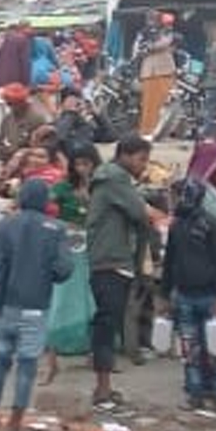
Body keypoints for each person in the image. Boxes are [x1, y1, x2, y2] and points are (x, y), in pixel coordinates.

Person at [0, 178, 73, 430]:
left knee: (0, 359)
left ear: (21, 198)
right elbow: (65, 269)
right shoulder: (56, 229)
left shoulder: (5, 226)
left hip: (6, 305)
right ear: (46, 201)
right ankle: (15, 420)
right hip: (36, 305)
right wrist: (47, 271)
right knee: (27, 364)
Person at [86, 134, 154, 409]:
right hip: (110, 261)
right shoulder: (114, 178)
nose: (143, 166)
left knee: (108, 323)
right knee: (106, 325)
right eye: (141, 159)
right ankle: (102, 389)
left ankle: (104, 386)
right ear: (125, 155)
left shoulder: (111, 178)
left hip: (111, 259)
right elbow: (139, 213)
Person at [164, 176, 216, 411]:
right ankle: (196, 394)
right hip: (185, 295)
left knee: (215, 349)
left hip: (210, 296)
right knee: (190, 349)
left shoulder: (213, 225)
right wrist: (166, 294)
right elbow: (169, 262)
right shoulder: (177, 226)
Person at [137, 11, 179, 136]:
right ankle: (147, 129)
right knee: (148, 103)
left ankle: (163, 131)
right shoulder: (143, 33)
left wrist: (148, 47)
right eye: (149, 18)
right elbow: (137, 49)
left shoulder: (167, 31)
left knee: (166, 102)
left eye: (154, 19)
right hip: (149, 71)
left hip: (164, 70)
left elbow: (164, 43)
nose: (151, 21)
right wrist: (145, 48)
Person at [0, 83, 50, 165]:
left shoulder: (37, 118)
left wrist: (23, 153)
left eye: (12, 104)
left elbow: (46, 147)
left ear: (22, 102)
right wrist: (1, 151)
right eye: (8, 104)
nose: (10, 107)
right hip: (10, 161)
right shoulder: (7, 119)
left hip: (32, 161)